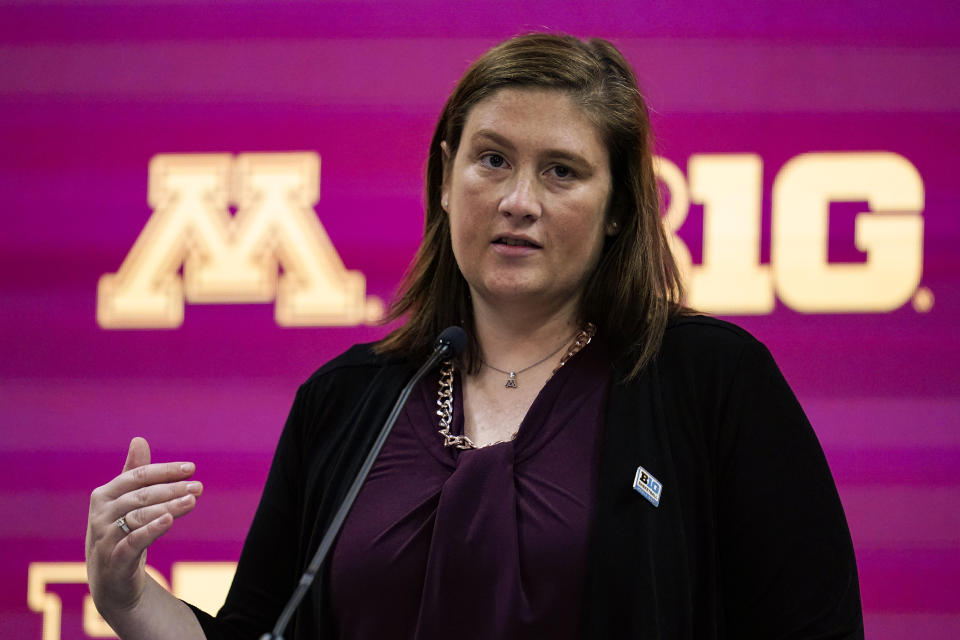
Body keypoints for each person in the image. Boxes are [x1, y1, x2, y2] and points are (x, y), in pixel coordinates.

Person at [85, 33, 864, 639]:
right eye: (492, 160)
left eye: (561, 171)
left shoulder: (708, 382)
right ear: (448, 176)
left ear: (621, 207)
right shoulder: (347, 401)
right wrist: (127, 597)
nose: (519, 200)